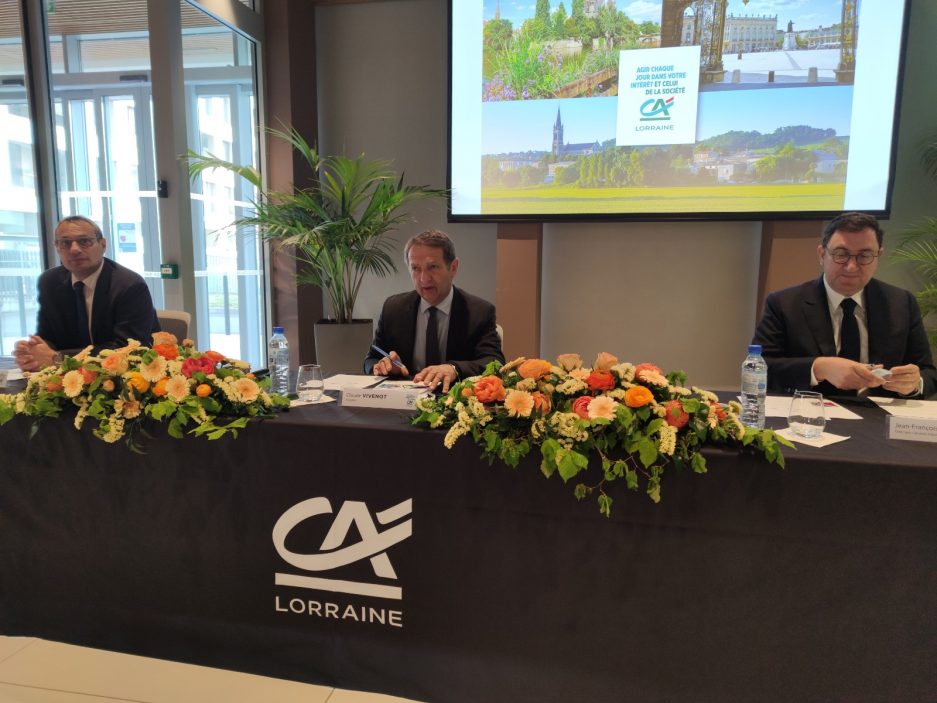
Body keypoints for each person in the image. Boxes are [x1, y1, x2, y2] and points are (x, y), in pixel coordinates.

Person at [753, 212, 937, 399]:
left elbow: (929, 373)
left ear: (878, 256)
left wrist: (914, 383)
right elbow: (759, 367)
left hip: (880, 412)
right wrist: (819, 367)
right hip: (812, 410)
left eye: (864, 256)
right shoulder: (785, 303)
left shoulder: (901, 303)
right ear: (822, 254)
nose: (851, 266)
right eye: (841, 254)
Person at [14, 215, 160, 372]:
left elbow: (128, 348)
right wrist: (33, 351)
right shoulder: (49, 282)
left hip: (123, 375)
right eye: (65, 243)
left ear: (102, 245)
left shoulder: (129, 285)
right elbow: (49, 337)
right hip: (69, 377)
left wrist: (59, 358)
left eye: (84, 241)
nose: (74, 249)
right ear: (57, 248)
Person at [363, 229, 504, 392]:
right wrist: (383, 367)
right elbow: (371, 359)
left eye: (432, 267)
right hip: (405, 400)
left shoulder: (479, 312)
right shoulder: (393, 308)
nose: (424, 278)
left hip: (453, 399)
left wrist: (454, 369)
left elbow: (494, 363)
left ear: (453, 268)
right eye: (415, 268)